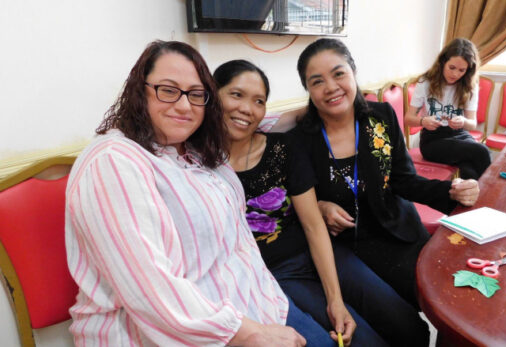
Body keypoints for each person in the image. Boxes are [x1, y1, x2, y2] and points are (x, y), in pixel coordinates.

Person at [64, 40, 331, 347]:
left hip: (258, 299)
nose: (183, 105)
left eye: (195, 94)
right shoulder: (114, 161)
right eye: (167, 90)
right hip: (182, 331)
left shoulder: (197, 151)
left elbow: (254, 121)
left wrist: (312, 110)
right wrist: (249, 333)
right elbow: (149, 289)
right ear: (139, 91)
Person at [214, 59, 421, 346]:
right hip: (271, 275)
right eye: (236, 95)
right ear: (213, 95)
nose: (247, 109)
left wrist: (335, 300)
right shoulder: (199, 166)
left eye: (258, 100)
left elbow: (313, 225)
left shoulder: (282, 148)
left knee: (409, 326)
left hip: (318, 251)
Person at [290, 38, 481, 345]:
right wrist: (321, 206)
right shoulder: (301, 138)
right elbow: (297, 200)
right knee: (407, 329)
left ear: (353, 72)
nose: (331, 87)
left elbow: (404, 180)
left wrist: (452, 191)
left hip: (398, 231)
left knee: (449, 309)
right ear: (309, 90)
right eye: (317, 81)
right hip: (351, 247)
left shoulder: (380, 117)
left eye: (338, 74)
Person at [404, 38, 491, 179]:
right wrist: (423, 121)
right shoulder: (425, 82)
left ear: (468, 70)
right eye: (452, 68)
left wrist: (463, 121)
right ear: (443, 62)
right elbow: (408, 119)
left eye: (462, 70)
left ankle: (467, 200)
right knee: (482, 151)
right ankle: (487, 197)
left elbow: (472, 123)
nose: (455, 74)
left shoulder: (470, 86)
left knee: (469, 168)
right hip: (432, 141)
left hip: (459, 135)